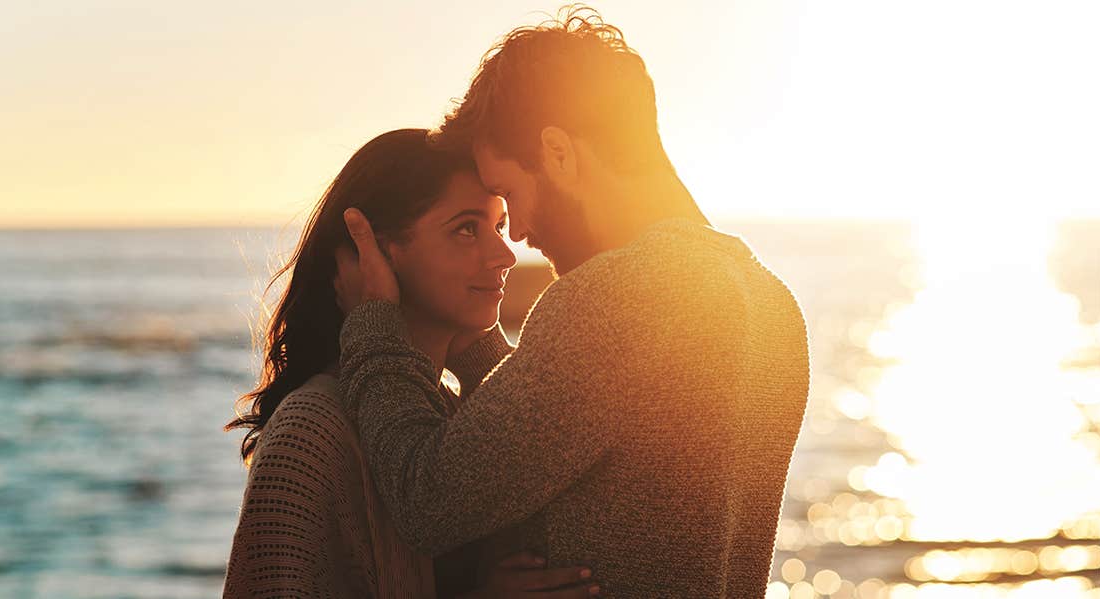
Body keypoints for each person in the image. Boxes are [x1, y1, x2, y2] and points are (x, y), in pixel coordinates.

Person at [334, 6, 811, 598]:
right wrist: (475, 342)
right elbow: (576, 429)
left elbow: (424, 500)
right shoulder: (770, 302)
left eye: (510, 194)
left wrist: (375, 325)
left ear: (558, 152)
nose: (518, 234)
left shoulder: (619, 296)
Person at [223, 128, 599, 598]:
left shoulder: (450, 413)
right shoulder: (310, 432)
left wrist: (479, 353)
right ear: (376, 252)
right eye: (467, 229)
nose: (505, 255)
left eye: (499, 226)